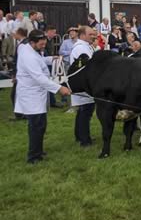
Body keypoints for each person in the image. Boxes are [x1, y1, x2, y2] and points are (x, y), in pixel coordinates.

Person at [14, 30, 71, 164]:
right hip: (31, 95)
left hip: (37, 94)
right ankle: (33, 156)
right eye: (41, 44)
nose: (43, 46)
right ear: (32, 42)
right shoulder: (28, 56)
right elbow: (39, 78)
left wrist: (52, 58)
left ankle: (38, 150)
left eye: (45, 44)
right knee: (36, 126)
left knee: (41, 125)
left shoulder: (31, 50)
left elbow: (40, 60)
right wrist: (59, 88)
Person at [69, 26, 96, 147]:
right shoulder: (80, 48)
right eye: (90, 34)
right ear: (82, 35)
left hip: (85, 83)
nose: (93, 36)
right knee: (85, 111)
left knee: (83, 111)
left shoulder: (85, 46)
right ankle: (84, 140)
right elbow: (89, 65)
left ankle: (79, 135)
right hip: (83, 84)